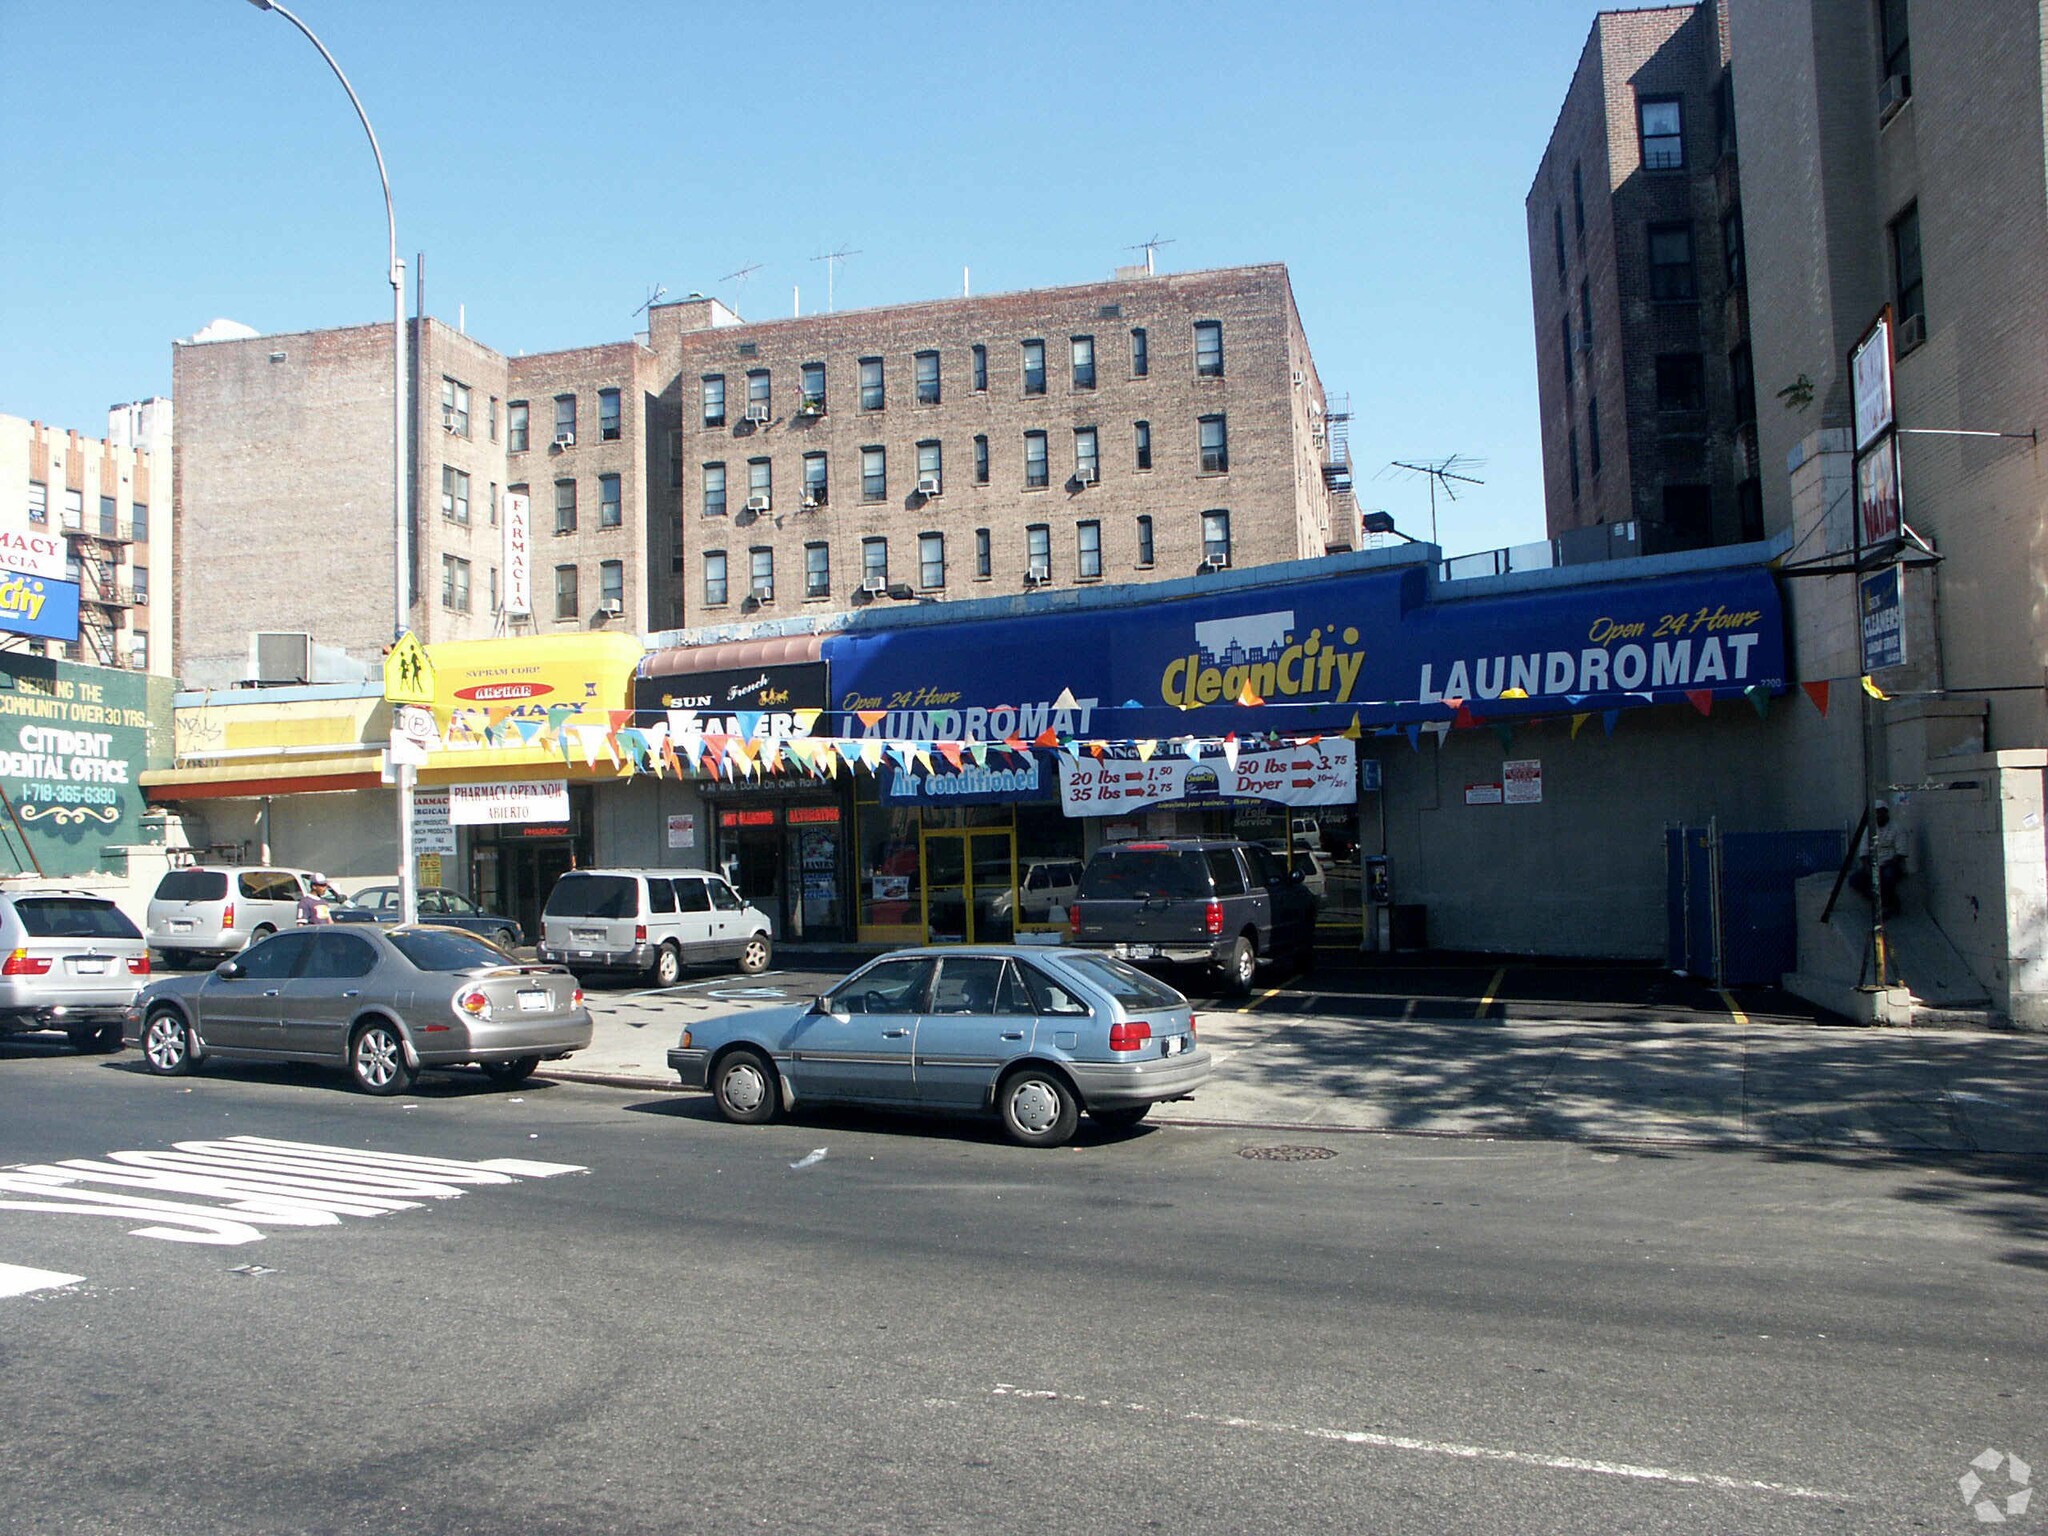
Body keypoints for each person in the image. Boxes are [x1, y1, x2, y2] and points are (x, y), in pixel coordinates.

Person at [1850, 802, 1906, 916]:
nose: (1878, 816)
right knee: (1855, 880)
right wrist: (1868, 867)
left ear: (1886, 812)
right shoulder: (1868, 830)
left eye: (1880, 812)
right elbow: (1864, 852)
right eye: (1875, 813)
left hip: (1891, 865)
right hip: (1874, 865)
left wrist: (1887, 864)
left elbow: (1901, 853)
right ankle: (1886, 902)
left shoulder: (1897, 828)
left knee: (1887, 876)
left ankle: (1887, 906)